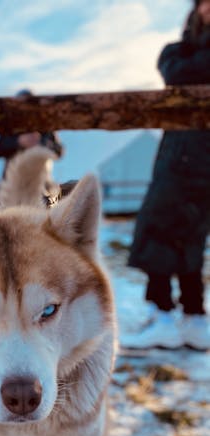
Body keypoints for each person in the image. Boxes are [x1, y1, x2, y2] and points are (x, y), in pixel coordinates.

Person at [122, 0, 210, 351]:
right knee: (161, 228)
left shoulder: (186, 54)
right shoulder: (180, 50)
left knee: (187, 233)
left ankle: (184, 316)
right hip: (178, 152)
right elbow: (174, 70)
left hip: (198, 154)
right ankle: (176, 315)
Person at [0, 89, 64, 195]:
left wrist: (41, 142)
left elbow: (59, 151)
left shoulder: (44, 125)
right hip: (12, 184)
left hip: (41, 184)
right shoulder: (11, 126)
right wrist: (18, 142)